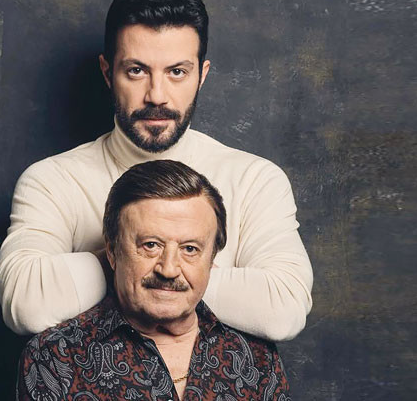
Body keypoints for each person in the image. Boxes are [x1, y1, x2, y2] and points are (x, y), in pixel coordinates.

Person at [0, 0, 313, 342]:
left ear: (201, 75)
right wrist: (132, 262)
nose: (157, 95)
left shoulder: (255, 180)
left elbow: (284, 310)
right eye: (136, 70)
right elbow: (25, 304)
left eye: (177, 72)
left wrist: (145, 268)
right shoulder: (52, 181)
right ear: (107, 72)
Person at [17, 160, 291, 400]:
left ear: (211, 260)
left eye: (190, 249)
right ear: (112, 251)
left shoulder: (257, 358)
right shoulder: (56, 356)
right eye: (150, 245)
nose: (168, 270)